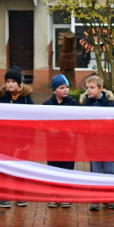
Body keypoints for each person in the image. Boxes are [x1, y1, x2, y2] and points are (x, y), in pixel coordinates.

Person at [0, 67, 33, 209]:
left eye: (13, 81)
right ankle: (3, 196)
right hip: (4, 139)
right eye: (8, 81)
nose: (10, 84)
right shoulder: (1, 97)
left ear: (19, 83)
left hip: (21, 139)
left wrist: (30, 141)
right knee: (3, 168)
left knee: (20, 168)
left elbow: (32, 121)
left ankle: (20, 194)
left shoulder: (26, 99)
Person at [81, 74, 114, 212]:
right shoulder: (86, 103)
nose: (88, 90)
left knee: (109, 170)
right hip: (93, 145)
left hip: (108, 144)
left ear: (100, 89)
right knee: (95, 171)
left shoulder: (108, 103)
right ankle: (95, 199)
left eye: (92, 87)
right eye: (87, 88)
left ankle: (109, 198)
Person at [44, 74, 78, 209]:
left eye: (67, 87)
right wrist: (49, 129)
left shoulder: (73, 103)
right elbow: (42, 123)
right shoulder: (47, 105)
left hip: (69, 144)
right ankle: (54, 195)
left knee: (67, 169)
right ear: (54, 90)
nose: (65, 90)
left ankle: (66, 196)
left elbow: (77, 123)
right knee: (53, 169)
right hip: (52, 144)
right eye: (61, 87)